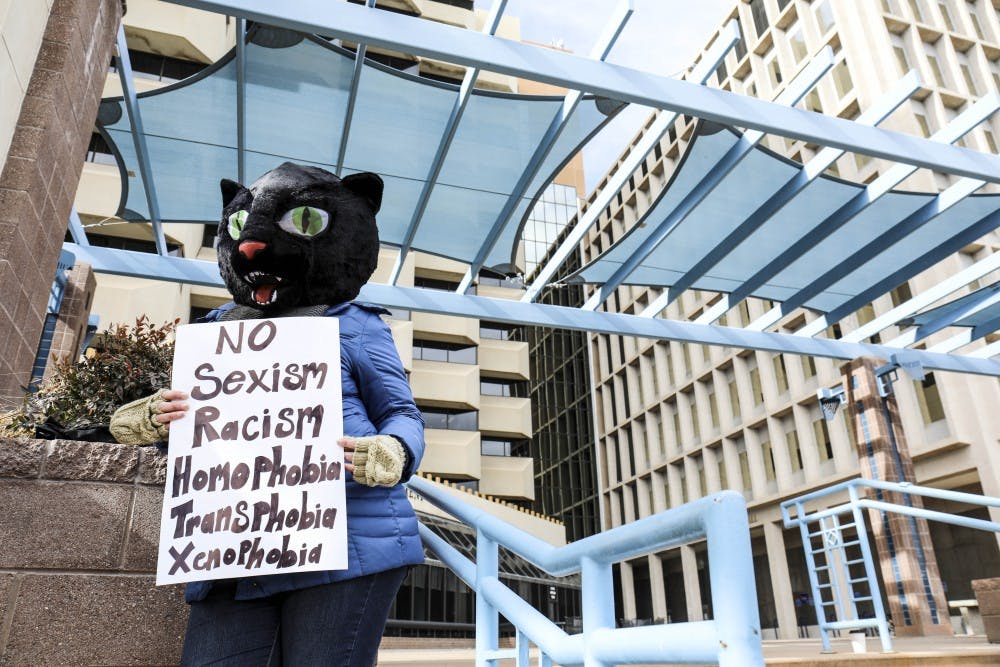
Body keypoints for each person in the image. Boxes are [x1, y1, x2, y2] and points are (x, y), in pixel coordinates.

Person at [110, 163, 425, 666]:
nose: (251, 245)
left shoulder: (356, 325)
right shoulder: (213, 332)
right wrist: (155, 418)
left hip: (348, 545)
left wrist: (395, 450)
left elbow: (400, 412)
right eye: (239, 226)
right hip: (232, 550)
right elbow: (205, 434)